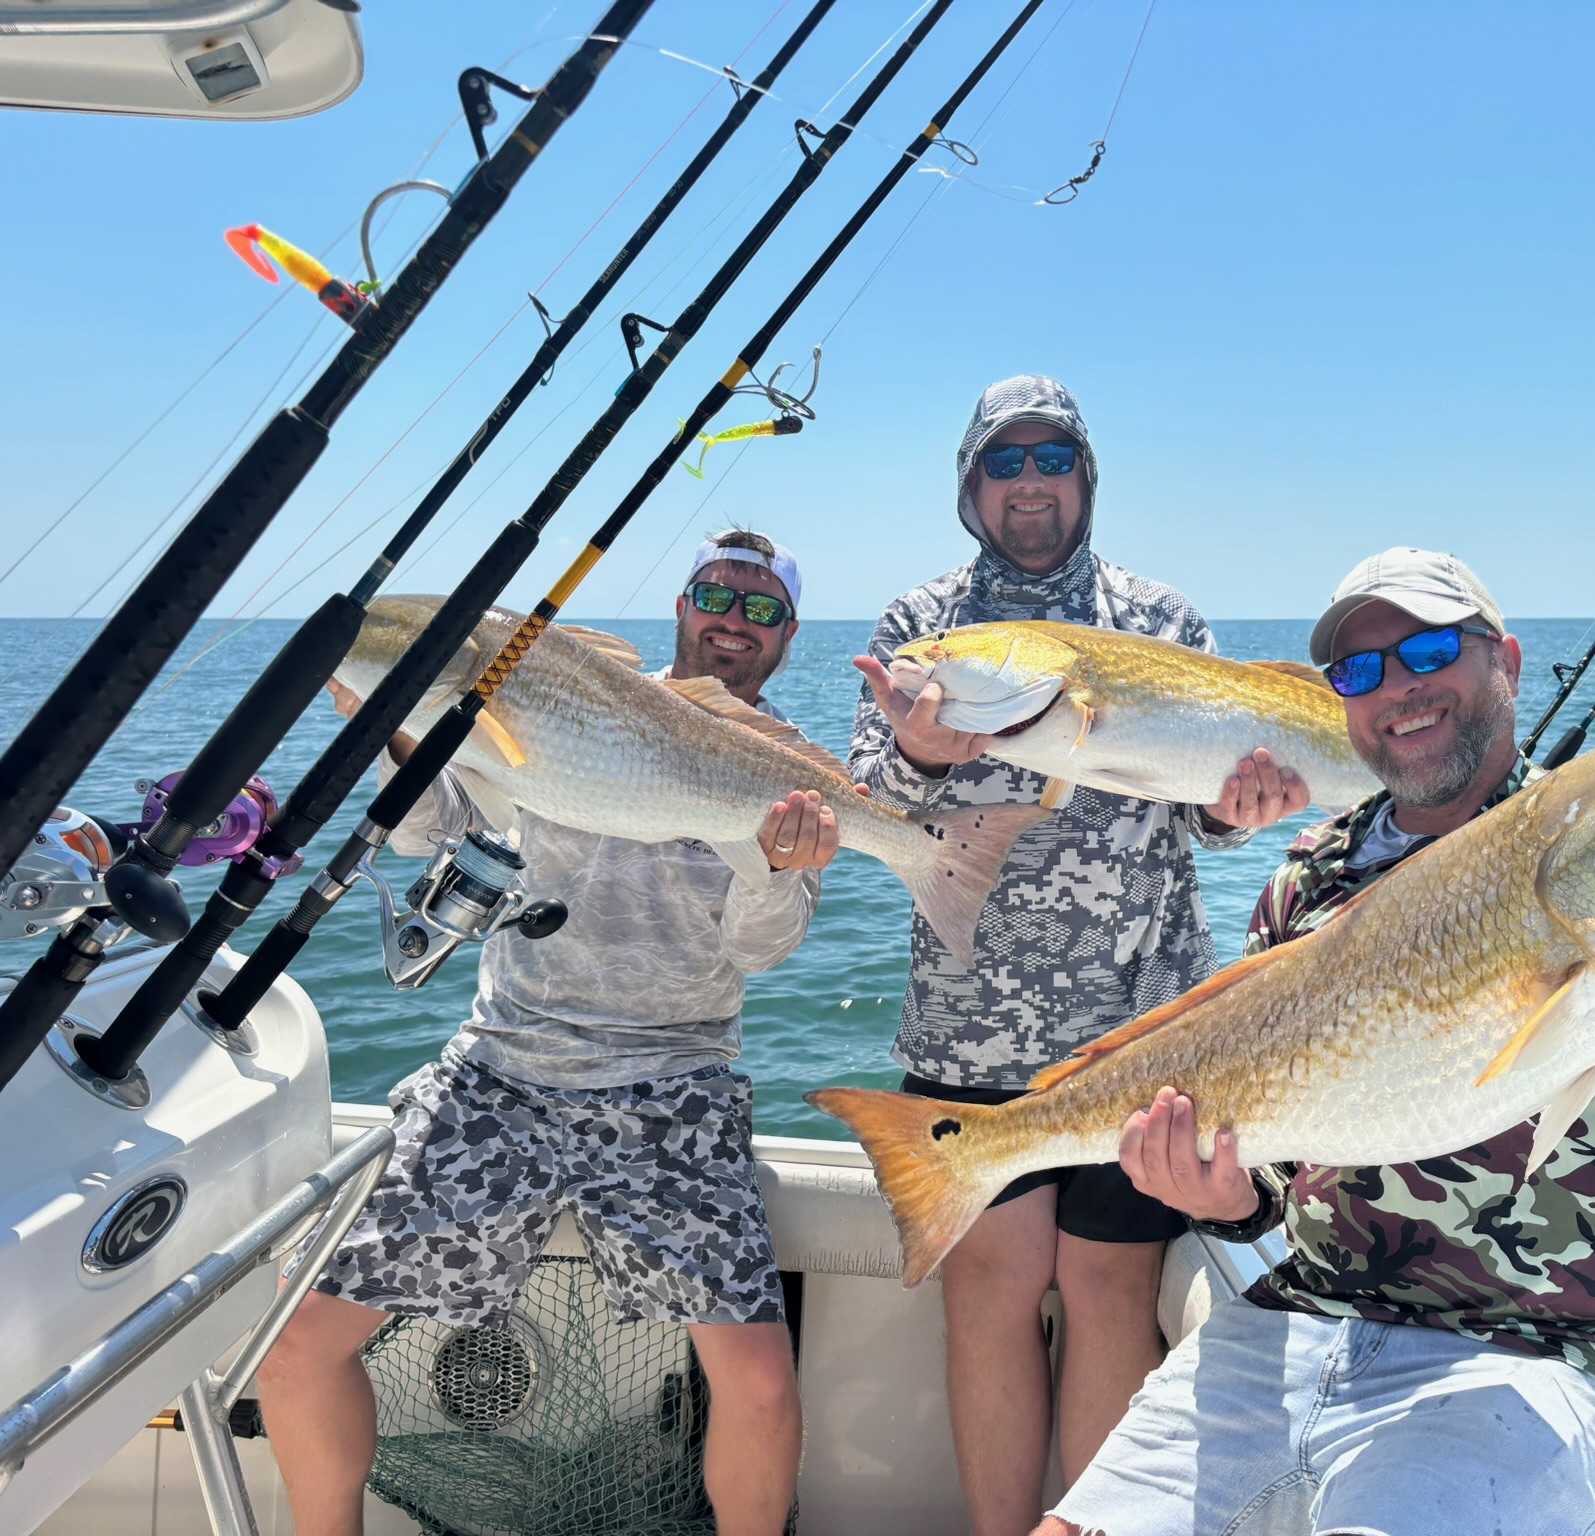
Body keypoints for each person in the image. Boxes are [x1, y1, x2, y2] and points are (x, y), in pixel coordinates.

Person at [1040, 547, 1595, 1536]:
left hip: (1551, 1364)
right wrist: (1222, 1197)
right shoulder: (1303, 886)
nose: (1396, 688)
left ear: (1503, 660)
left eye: (1425, 649)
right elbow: (1285, 1160)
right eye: (1358, 670)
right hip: (1302, 1328)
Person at [261, 530, 839, 1536]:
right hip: (504, 1072)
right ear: (681, 603)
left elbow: (761, 950)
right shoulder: (561, 693)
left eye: (761, 609)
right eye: (717, 595)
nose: (732, 623)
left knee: (757, 1380)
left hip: (675, 1082)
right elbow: (426, 827)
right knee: (297, 1338)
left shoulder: (786, 772)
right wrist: (395, 723)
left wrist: (776, 866)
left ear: (789, 634)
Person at [848, 376, 1309, 1534]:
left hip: (1145, 1025)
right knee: (989, 1297)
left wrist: (1236, 811)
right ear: (969, 485)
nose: (1029, 483)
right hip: (967, 1022)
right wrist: (915, 752)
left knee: (1111, 1294)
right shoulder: (919, 627)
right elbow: (866, 806)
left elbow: (1204, 808)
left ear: (1085, 477)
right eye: (1002, 463)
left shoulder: (1162, 620)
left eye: (1051, 458)